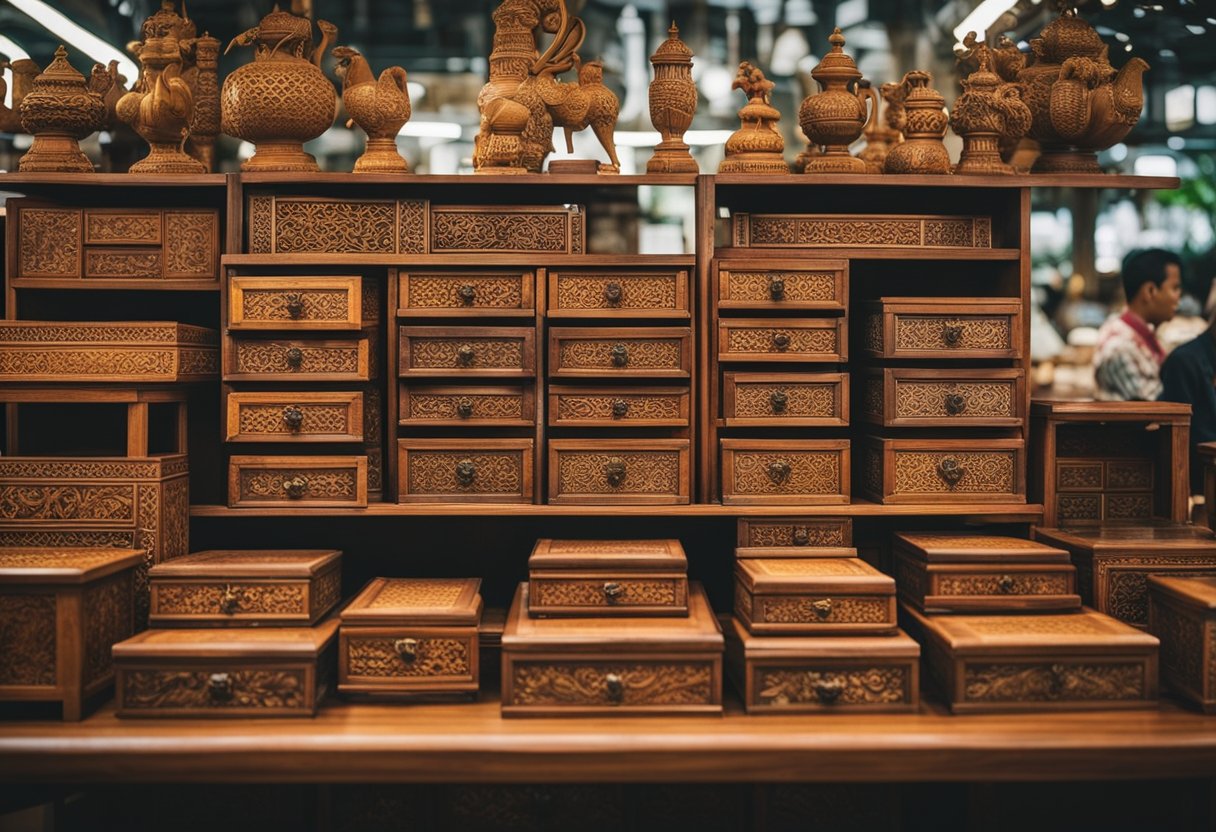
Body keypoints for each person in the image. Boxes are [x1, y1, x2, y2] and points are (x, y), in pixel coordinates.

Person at [1093, 248, 1183, 401]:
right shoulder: (1119, 347)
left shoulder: (1143, 333)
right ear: (1150, 291)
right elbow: (1165, 407)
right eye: (1174, 288)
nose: (1178, 296)